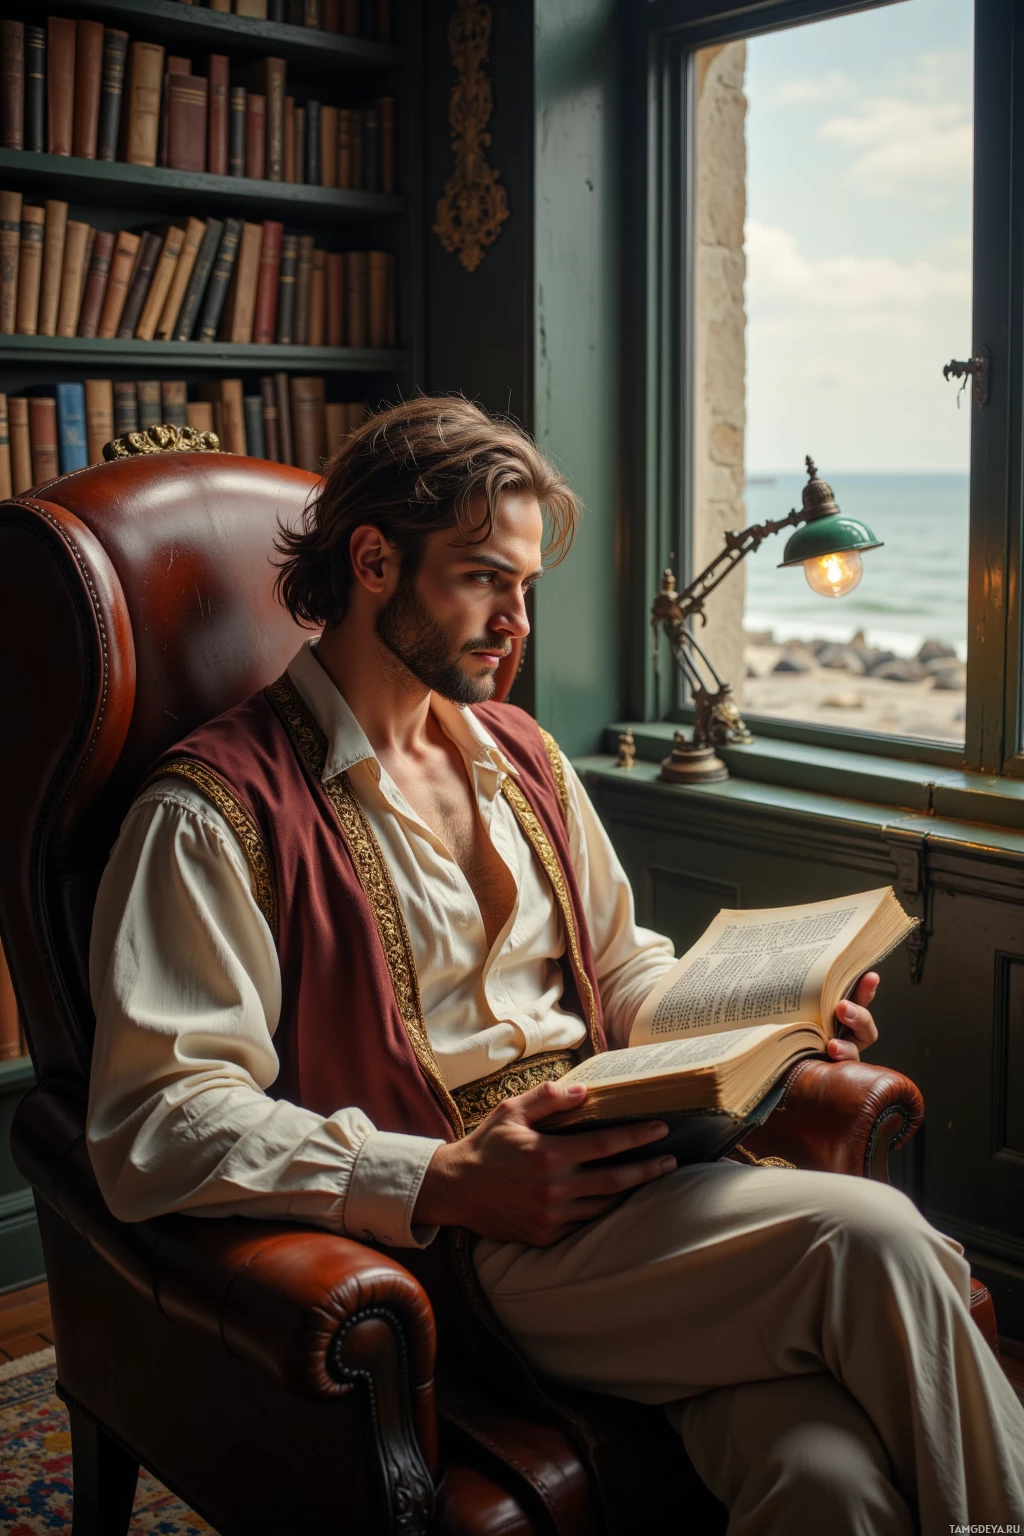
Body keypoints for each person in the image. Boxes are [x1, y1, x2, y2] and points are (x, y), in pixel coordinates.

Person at [87, 395, 1024, 1534]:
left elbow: (621, 971)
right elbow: (158, 1120)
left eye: (523, 587)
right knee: (879, 1246)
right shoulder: (216, 809)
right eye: (483, 578)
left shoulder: (521, 755)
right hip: (484, 1240)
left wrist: (774, 1021)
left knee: (823, 1477)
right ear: (374, 559)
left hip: (647, 1183)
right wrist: (434, 1179)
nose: (514, 621)